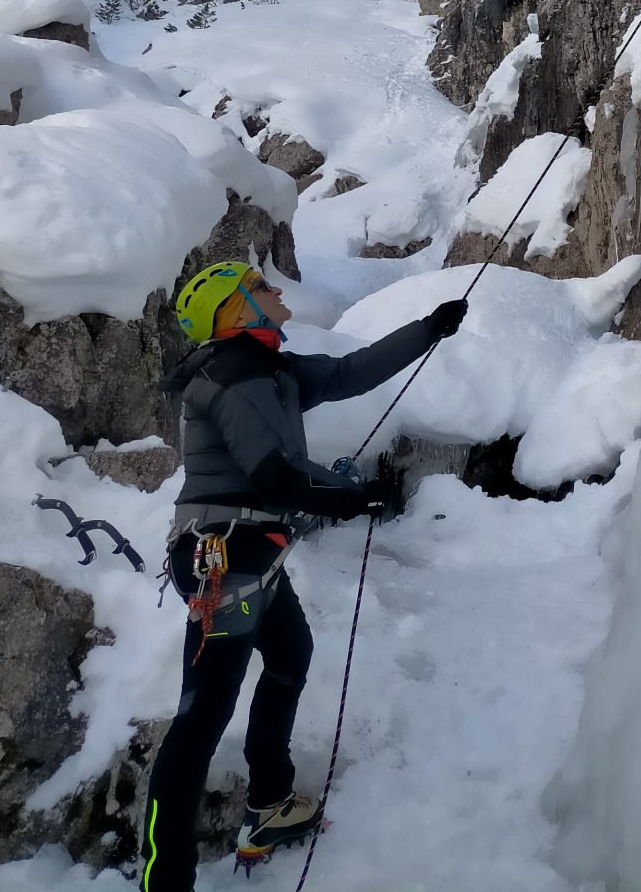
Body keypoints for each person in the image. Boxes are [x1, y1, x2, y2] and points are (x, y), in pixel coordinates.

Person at [140, 259, 468, 889]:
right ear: (236, 311)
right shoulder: (231, 374)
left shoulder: (271, 369)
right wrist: (353, 497)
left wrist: (429, 328)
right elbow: (274, 474)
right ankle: (164, 878)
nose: (275, 290)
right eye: (260, 287)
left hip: (248, 554)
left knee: (290, 656)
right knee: (201, 719)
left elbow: (349, 373)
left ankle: (269, 804)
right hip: (224, 559)